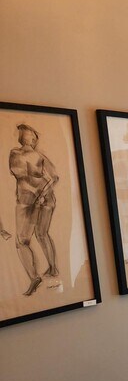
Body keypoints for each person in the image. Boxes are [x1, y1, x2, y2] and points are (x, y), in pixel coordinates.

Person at [9, 124, 59, 296]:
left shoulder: (15, 154)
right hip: (44, 197)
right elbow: (54, 177)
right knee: (42, 234)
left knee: (22, 241)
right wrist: (42, 194)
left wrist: (38, 195)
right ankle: (52, 268)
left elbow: (19, 174)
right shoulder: (39, 156)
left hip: (27, 199)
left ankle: (34, 277)